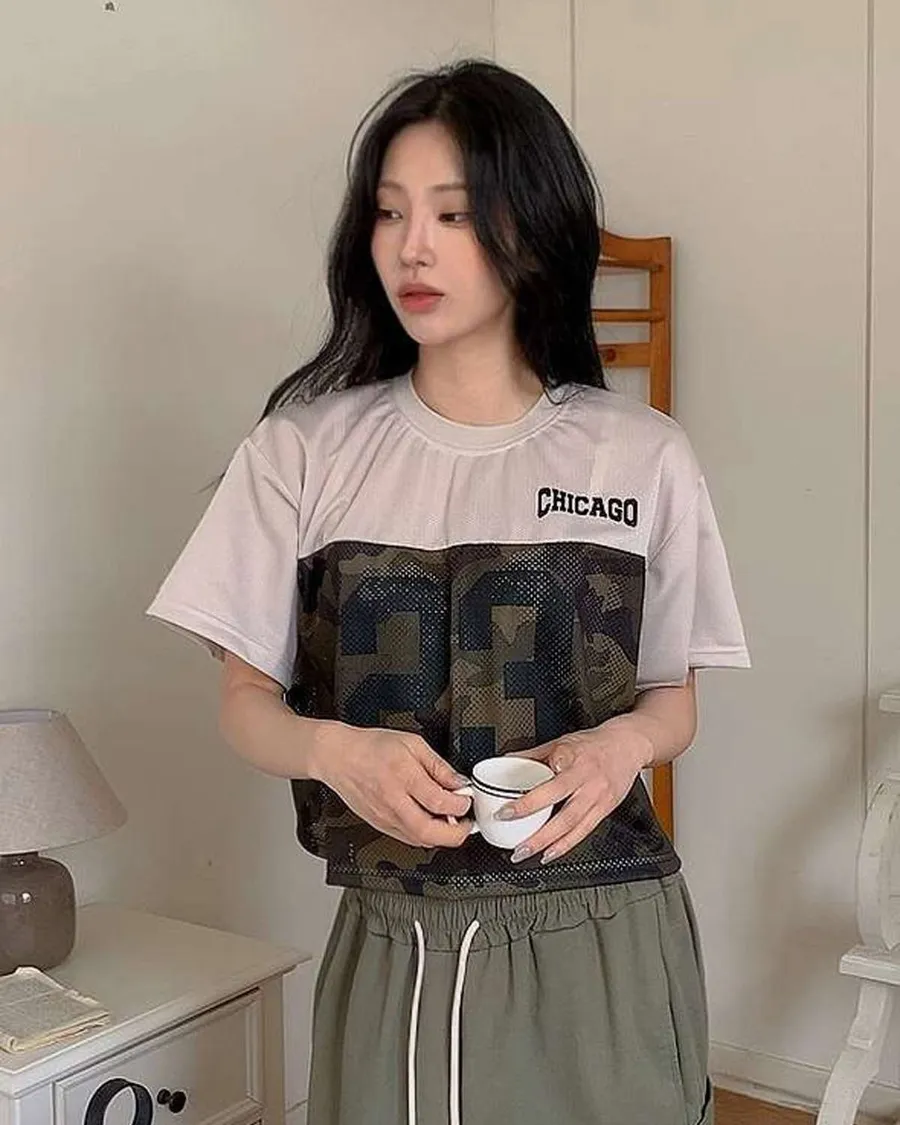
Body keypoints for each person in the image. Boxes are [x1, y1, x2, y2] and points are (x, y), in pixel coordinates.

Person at [147, 58, 749, 1125]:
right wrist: (337, 751)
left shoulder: (641, 454)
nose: (412, 246)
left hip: (604, 927)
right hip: (397, 938)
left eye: (454, 213)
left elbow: (674, 699)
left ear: (534, 230)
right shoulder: (302, 452)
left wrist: (619, 747)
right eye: (390, 212)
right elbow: (245, 704)